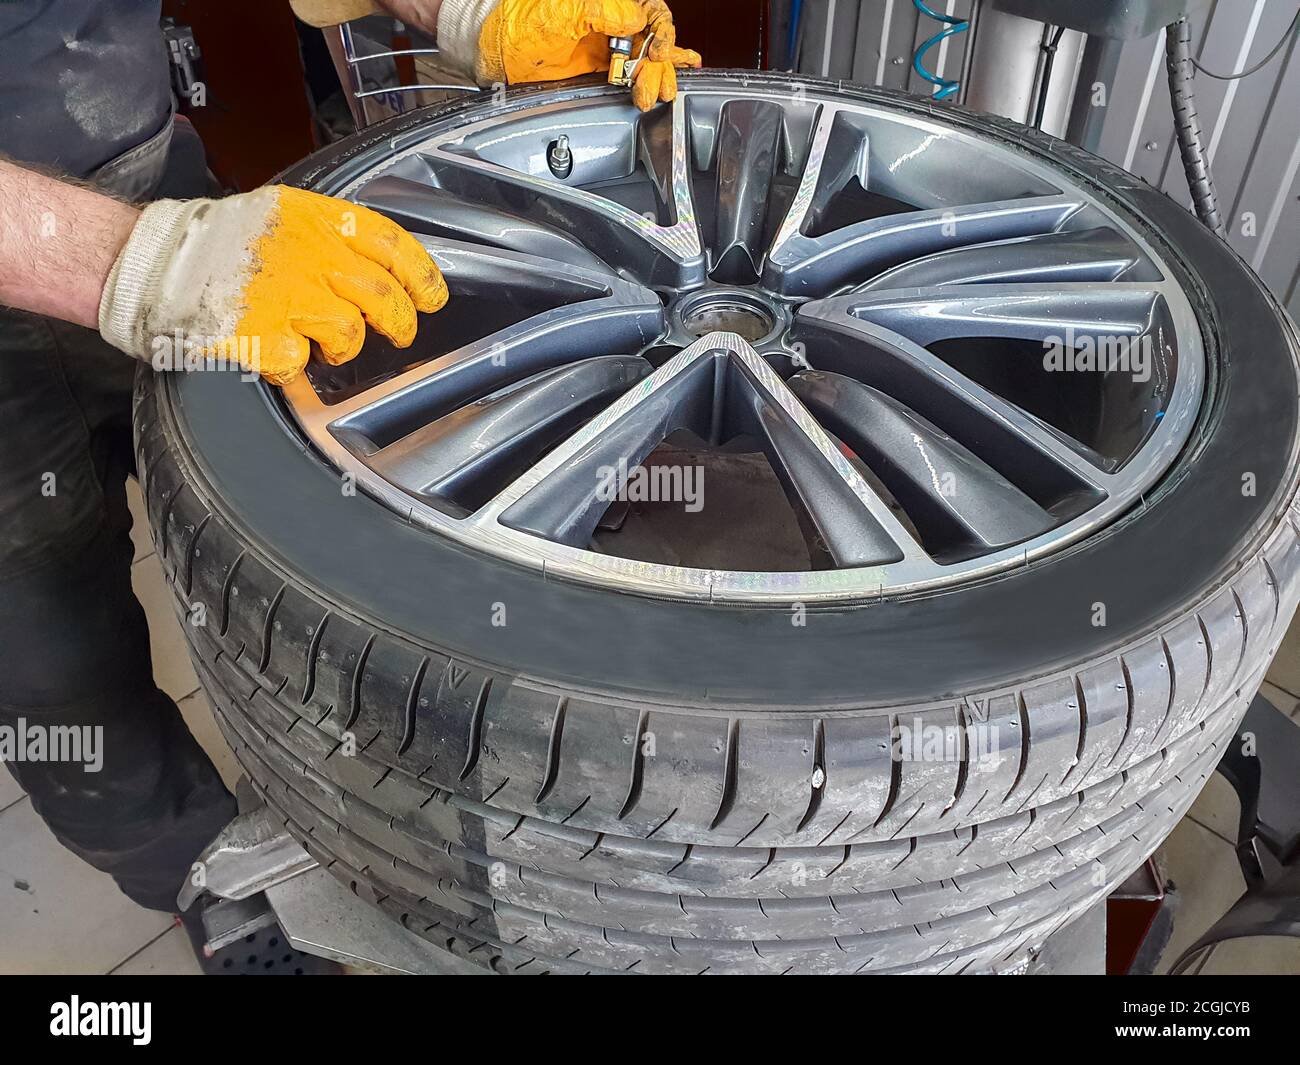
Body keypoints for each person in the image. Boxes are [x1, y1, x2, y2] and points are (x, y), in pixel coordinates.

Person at [0, 0, 696, 931]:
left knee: (302, 539)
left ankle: (345, 804)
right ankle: (207, 884)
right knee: (58, 673)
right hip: (82, 254)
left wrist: (471, 9)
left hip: (154, 194)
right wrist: (117, 260)